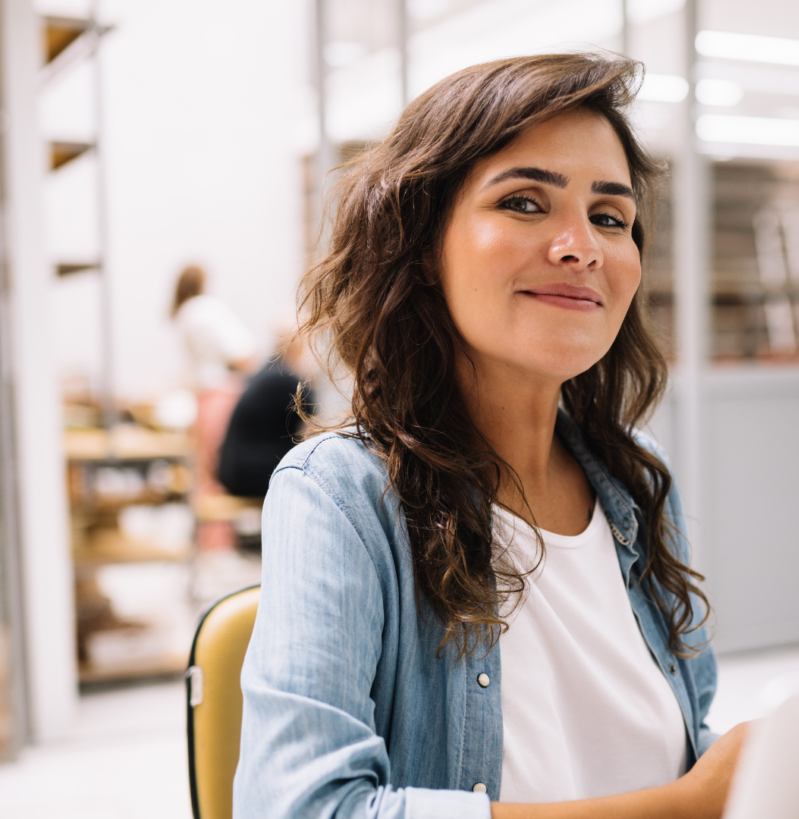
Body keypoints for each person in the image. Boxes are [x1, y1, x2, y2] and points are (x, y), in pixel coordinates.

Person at [235, 53, 748, 819]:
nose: (583, 247)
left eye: (610, 217)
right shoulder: (341, 496)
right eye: (524, 203)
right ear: (422, 246)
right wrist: (686, 804)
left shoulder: (641, 484)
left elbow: (682, 750)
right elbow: (301, 809)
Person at [171, 265, 256, 549]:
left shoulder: (182, 314)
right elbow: (244, 352)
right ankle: (220, 544)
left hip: (201, 398)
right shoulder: (207, 309)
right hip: (221, 396)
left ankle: (207, 541)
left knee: (203, 471)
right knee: (221, 469)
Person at [217, 331, 316, 500]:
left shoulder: (266, 372)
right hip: (249, 474)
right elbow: (313, 425)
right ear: (299, 347)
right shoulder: (285, 379)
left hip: (233, 471)